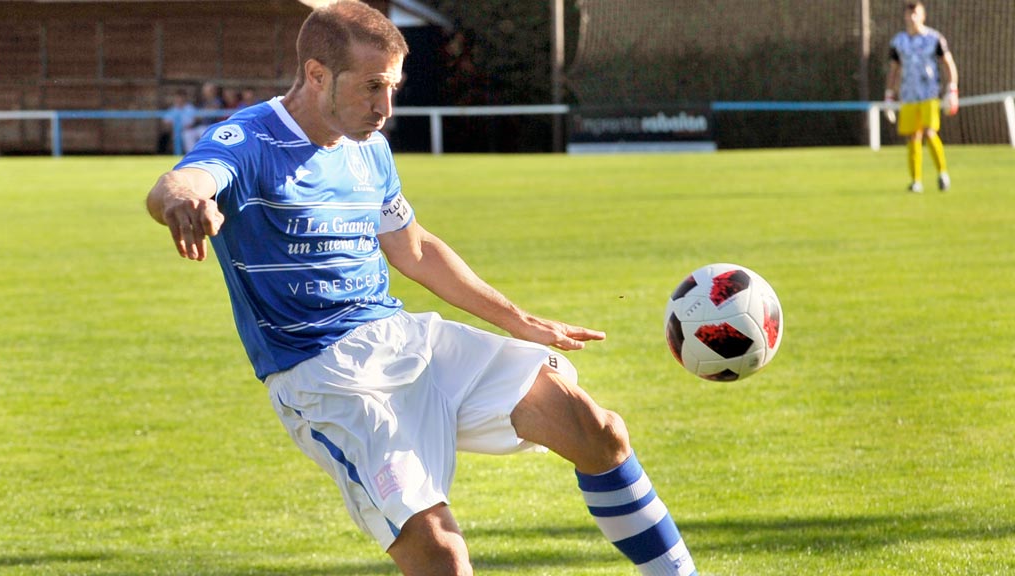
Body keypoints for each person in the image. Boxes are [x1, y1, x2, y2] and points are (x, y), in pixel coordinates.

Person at [145, 3, 697, 575]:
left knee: (598, 429)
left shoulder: (369, 149)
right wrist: (185, 200)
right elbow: (180, 181)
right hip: (328, 378)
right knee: (441, 555)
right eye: (372, 87)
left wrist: (516, 319)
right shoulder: (247, 139)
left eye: (393, 87)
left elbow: (414, 248)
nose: (385, 108)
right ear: (315, 75)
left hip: (404, 336)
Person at [885, 0, 959, 193]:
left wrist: (952, 89)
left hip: (928, 94)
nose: (912, 17)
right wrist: (889, 95)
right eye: (909, 14)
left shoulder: (934, 39)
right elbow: (893, 70)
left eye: (916, 13)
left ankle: (942, 173)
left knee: (929, 132)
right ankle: (916, 180)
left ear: (923, 16)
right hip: (908, 96)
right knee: (913, 136)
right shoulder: (898, 42)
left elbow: (948, 64)